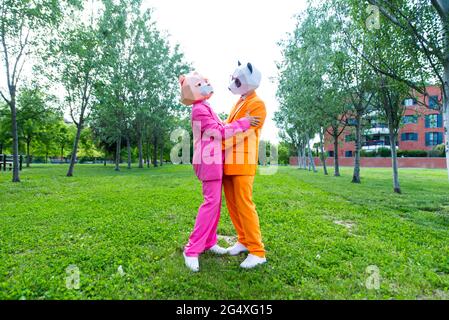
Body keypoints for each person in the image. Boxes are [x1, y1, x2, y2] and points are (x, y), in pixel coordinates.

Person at [179, 71, 260, 272]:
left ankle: (209, 242)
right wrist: (245, 122)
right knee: (210, 205)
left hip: (214, 162)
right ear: (194, 90)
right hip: (208, 162)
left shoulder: (205, 106)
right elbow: (219, 132)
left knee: (214, 206)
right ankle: (191, 249)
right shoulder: (199, 109)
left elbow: (219, 126)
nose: (207, 84)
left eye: (206, 81)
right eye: (202, 83)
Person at [223, 62, 267, 269]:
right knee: (232, 204)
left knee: (245, 205)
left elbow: (244, 132)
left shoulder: (257, 104)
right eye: (232, 78)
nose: (232, 83)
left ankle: (257, 251)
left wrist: (219, 141)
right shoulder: (239, 102)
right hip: (229, 162)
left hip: (243, 162)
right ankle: (243, 240)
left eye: (237, 80)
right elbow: (230, 125)